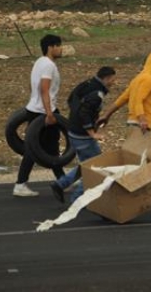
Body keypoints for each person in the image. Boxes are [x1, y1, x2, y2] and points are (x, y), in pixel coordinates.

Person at [100, 51, 151, 216]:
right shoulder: (149, 79)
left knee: (150, 167)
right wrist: (143, 119)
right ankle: (112, 199)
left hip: (132, 126)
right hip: (140, 128)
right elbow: (137, 101)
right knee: (148, 168)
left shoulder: (138, 78)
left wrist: (106, 114)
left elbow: (123, 98)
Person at [49, 66, 117, 203]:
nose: (114, 82)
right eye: (113, 79)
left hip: (73, 131)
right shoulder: (97, 94)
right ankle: (78, 198)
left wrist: (77, 117)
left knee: (87, 164)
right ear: (107, 78)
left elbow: (72, 99)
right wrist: (92, 132)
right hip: (83, 137)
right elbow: (84, 113)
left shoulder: (87, 84)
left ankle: (61, 184)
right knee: (95, 168)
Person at [13, 34, 65, 197]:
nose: (61, 48)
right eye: (58, 45)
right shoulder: (48, 65)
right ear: (50, 47)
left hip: (36, 108)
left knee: (49, 147)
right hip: (43, 112)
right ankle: (20, 184)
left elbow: (34, 86)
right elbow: (44, 88)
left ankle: (63, 180)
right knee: (34, 148)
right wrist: (49, 114)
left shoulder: (39, 62)